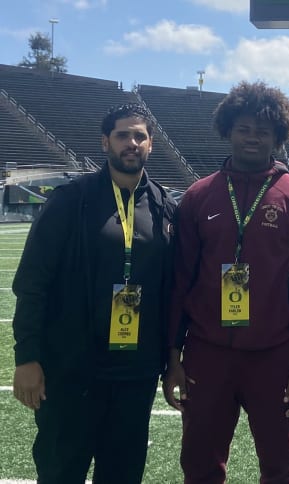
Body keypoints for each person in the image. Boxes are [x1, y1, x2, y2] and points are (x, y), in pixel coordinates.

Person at [163, 80, 289, 483]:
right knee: (200, 465)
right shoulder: (199, 196)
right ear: (228, 130)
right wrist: (172, 357)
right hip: (206, 352)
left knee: (280, 466)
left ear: (278, 137)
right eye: (244, 129)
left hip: (274, 355)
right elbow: (179, 282)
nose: (252, 138)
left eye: (263, 131)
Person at [12, 103, 176, 483]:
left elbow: (171, 291)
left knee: (122, 474)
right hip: (71, 368)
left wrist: (171, 360)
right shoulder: (71, 200)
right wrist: (27, 357)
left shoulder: (165, 207)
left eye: (140, 136)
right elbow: (32, 282)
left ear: (151, 144)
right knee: (60, 470)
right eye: (123, 135)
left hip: (135, 372)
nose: (132, 143)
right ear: (105, 142)